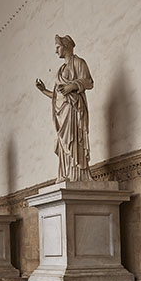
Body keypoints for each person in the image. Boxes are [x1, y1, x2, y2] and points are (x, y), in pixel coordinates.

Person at [35, 35, 94, 182]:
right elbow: (57, 96)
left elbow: (89, 82)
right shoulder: (61, 70)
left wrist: (72, 86)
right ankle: (67, 173)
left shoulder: (79, 62)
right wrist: (43, 90)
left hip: (73, 110)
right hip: (61, 114)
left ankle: (78, 174)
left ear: (66, 46)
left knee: (74, 140)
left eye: (57, 47)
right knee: (63, 142)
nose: (56, 51)